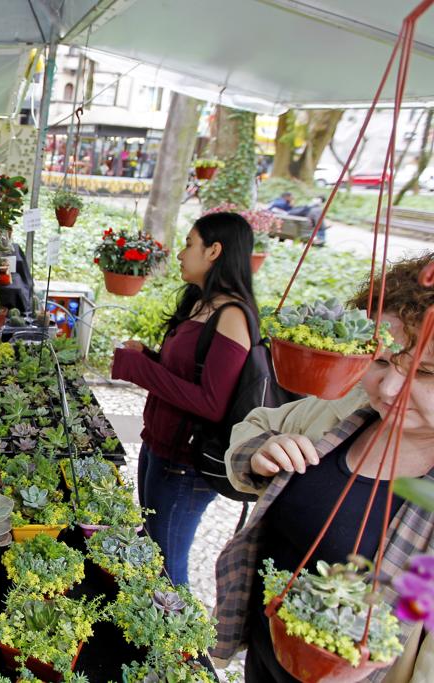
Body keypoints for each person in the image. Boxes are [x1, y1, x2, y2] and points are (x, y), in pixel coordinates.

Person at [213, 252, 434, 681]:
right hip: (264, 655)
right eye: (383, 361)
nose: (389, 388)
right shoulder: (346, 413)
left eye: (424, 372)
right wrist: (260, 455)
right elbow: (256, 426)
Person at [111, 212, 256, 584]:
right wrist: (148, 356)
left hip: (186, 465)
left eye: (190, 244)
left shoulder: (232, 316)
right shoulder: (199, 303)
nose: (180, 253)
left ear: (214, 251)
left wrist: (137, 368)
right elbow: (184, 375)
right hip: (159, 447)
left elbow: (211, 402)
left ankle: (178, 640)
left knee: (166, 566)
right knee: (151, 551)